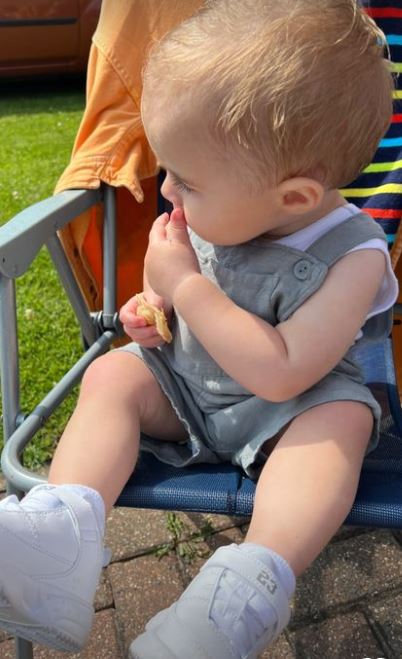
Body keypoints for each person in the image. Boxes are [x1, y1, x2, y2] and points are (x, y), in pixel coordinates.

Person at [0, 1, 398, 657]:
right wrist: (153, 303)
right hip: (187, 389)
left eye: (184, 181)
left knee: (343, 424)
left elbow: (286, 369)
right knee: (114, 372)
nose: (170, 195)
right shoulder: (218, 206)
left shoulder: (354, 255)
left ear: (292, 196)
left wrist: (184, 282)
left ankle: (246, 586)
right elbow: (172, 292)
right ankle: (62, 541)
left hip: (288, 411)